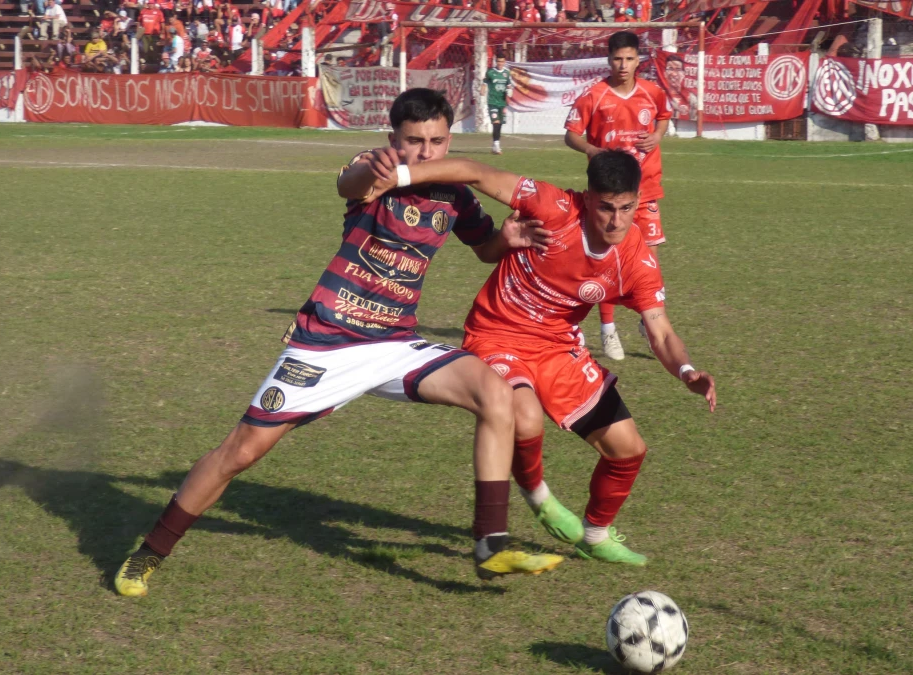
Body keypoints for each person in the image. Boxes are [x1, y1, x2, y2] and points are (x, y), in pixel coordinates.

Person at [112, 88, 563, 598]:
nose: (425, 152)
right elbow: (349, 182)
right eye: (414, 141)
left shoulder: (454, 193)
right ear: (393, 138)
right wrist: (374, 170)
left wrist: (508, 240)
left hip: (395, 344)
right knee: (240, 453)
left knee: (496, 393)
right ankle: (148, 553)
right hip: (326, 343)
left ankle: (490, 544)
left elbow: (483, 248)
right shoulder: (374, 169)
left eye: (436, 141)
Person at [359, 149, 716, 566]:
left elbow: (661, 330)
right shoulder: (553, 207)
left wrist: (687, 371)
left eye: (626, 208)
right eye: (605, 207)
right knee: (525, 417)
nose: (616, 220)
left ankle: (595, 536)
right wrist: (398, 176)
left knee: (628, 449)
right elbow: (474, 171)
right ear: (587, 198)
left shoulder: (636, 256)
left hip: (559, 348)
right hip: (498, 335)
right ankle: (540, 498)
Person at [565, 30, 671, 361]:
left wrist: (656, 135)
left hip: (645, 188)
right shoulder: (594, 95)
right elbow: (570, 135)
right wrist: (591, 149)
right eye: (616, 59)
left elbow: (665, 116)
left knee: (647, 261)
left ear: (638, 60)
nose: (622, 65)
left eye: (628, 58)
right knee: (608, 259)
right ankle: (608, 330)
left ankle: (646, 319)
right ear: (608, 60)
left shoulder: (652, 92)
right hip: (609, 194)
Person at [481, 53, 512, 155]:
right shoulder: (490, 72)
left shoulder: (506, 73)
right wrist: (483, 90)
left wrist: (510, 90)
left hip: (502, 103)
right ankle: (497, 146)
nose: (500, 63)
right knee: (496, 122)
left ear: (504, 62)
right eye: (498, 61)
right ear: (496, 61)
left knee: (500, 124)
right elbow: (485, 83)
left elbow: (509, 85)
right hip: (492, 102)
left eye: (502, 61)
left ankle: (495, 145)